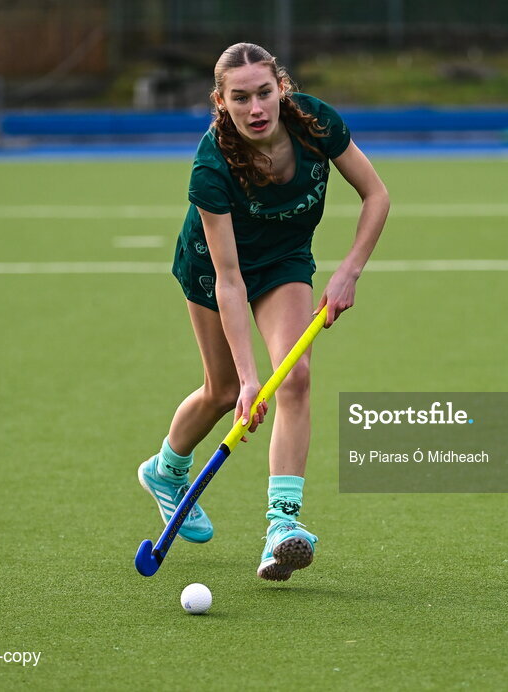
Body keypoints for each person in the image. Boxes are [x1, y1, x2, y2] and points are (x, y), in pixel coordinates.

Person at [138, 42, 390, 581]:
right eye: (240, 98)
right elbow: (230, 282)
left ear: (281, 87)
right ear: (221, 102)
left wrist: (349, 270)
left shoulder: (315, 125)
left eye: (264, 92)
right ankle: (166, 471)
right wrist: (251, 378)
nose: (256, 108)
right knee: (224, 391)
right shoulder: (212, 166)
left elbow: (377, 195)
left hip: (284, 259)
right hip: (214, 268)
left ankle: (282, 527)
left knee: (295, 377)